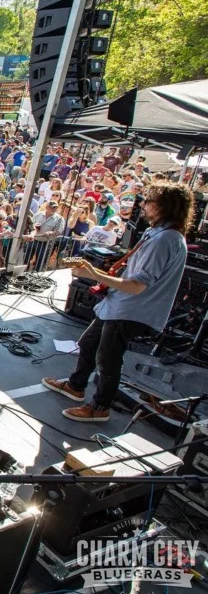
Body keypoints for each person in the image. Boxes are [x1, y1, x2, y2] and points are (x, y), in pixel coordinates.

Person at [43, 181, 193, 422]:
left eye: (149, 201)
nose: (143, 206)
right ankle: (75, 386)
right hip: (118, 305)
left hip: (132, 310)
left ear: (166, 206)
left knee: (108, 359)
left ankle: (100, 408)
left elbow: (137, 286)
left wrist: (93, 273)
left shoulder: (166, 240)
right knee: (89, 343)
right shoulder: (156, 233)